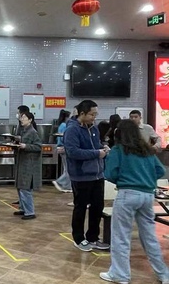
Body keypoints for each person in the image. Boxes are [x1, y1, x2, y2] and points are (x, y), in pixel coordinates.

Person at [100, 119, 169, 284]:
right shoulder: (146, 150)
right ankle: (164, 275)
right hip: (147, 196)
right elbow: (160, 170)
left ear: (119, 133)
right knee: (150, 237)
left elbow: (110, 174)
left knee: (121, 236)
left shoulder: (118, 150)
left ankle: (120, 275)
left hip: (127, 194)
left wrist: (124, 179)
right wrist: (146, 179)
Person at [64, 100, 109, 252]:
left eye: (95, 115)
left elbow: (96, 146)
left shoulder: (94, 128)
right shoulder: (72, 130)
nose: (94, 118)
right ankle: (78, 238)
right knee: (80, 208)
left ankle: (93, 237)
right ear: (82, 113)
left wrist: (103, 148)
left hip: (98, 175)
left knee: (97, 207)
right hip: (81, 176)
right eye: (91, 115)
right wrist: (96, 153)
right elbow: (73, 152)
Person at [13, 112, 42, 220]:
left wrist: (26, 146)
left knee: (25, 188)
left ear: (30, 120)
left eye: (24, 117)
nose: (21, 119)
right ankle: (23, 208)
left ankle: (30, 212)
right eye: (21, 117)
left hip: (29, 164)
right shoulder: (23, 131)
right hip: (22, 162)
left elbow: (38, 147)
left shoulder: (33, 132)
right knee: (20, 186)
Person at [53, 110, 72, 193]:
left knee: (66, 168)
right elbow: (64, 137)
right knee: (68, 169)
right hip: (63, 148)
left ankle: (67, 186)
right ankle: (60, 182)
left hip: (60, 147)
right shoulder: (64, 125)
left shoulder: (60, 125)